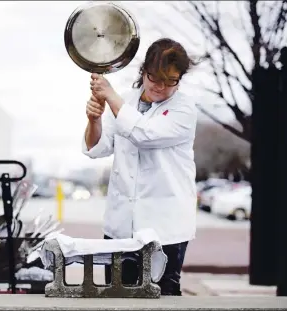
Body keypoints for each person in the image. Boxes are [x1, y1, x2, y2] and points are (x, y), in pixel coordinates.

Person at [82, 38, 199, 296]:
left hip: (166, 228)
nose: (162, 87)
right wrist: (94, 120)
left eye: (171, 81)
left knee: (162, 296)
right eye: (155, 78)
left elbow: (145, 135)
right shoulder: (125, 101)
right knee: (117, 296)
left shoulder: (184, 108)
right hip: (121, 224)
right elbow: (96, 148)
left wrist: (109, 94)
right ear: (143, 71)